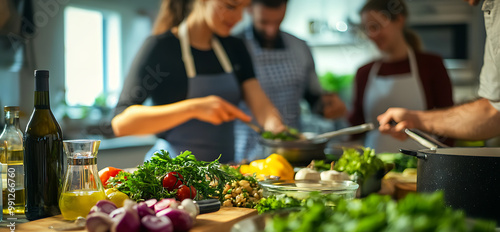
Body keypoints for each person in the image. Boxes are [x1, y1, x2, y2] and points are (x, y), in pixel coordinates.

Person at [111, 0, 285, 163]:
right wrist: (194, 108)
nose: (239, 18)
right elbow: (121, 123)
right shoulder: (161, 48)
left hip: (223, 173)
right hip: (171, 176)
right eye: (231, 6)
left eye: (243, 7)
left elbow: (259, 102)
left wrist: (276, 128)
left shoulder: (235, 47)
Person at [233, 0, 346, 162]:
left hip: (292, 149)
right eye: (263, 22)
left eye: (277, 22)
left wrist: (326, 105)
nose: (271, 30)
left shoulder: (300, 47)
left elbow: (312, 97)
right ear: (249, 8)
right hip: (245, 150)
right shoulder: (235, 45)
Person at [378, 0, 500, 141]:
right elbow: (493, 111)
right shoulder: (492, 9)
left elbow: (492, 112)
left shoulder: (430, 63)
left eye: (375, 26)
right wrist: (415, 119)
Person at [348, 0, 454, 153]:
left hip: (422, 165)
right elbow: (357, 125)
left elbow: (449, 121)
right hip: (375, 165)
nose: (371, 35)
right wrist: (341, 113)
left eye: (375, 26)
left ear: (399, 20)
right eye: (367, 29)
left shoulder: (431, 65)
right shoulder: (364, 72)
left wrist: (444, 160)